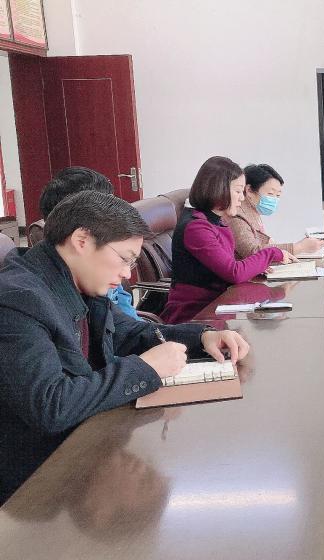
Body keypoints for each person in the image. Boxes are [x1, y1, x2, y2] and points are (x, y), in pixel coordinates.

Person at [0, 190, 250, 505]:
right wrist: (145, 369)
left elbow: (130, 332)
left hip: (84, 441)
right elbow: (51, 406)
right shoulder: (19, 300)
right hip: (37, 480)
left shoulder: (74, 279)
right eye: (124, 259)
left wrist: (202, 336)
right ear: (81, 241)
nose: (127, 273)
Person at [162, 156, 291, 324]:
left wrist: (255, 268)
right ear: (218, 190)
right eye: (238, 191)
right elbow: (234, 273)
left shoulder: (217, 221)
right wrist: (272, 253)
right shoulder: (197, 228)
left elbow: (227, 266)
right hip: (195, 316)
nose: (242, 198)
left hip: (219, 306)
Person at [37, 167, 141, 319]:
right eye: (108, 210)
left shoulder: (101, 266)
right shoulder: (36, 300)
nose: (116, 217)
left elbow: (125, 319)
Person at [224, 163, 324, 259]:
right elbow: (252, 251)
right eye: (270, 194)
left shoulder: (253, 212)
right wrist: (299, 247)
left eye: (278, 195)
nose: (274, 200)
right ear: (249, 190)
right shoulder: (236, 216)